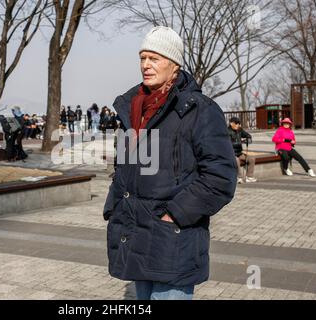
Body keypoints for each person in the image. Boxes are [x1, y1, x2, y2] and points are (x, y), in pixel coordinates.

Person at [103, 26, 236, 300]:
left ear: (174, 65)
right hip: (136, 234)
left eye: (154, 58)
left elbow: (220, 177)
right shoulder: (132, 109)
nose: (146, 65)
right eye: (143, 58)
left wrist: (175, 214)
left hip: (173, 238)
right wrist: (113, 206)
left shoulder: (199, 109)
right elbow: (123, 168)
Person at [228, 117, 257, 184]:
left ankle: (249, 177)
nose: (238, 125)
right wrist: (240, 142)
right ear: (231, 123)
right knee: (237, 161)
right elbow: (229, 144)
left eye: (239, 124)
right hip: (231, 153)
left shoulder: (240, 130)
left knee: (251, 158)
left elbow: (248, 135)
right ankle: (239, 177)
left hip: (239, 152)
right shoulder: (227, 131)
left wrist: (248, 139)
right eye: (236, 124)